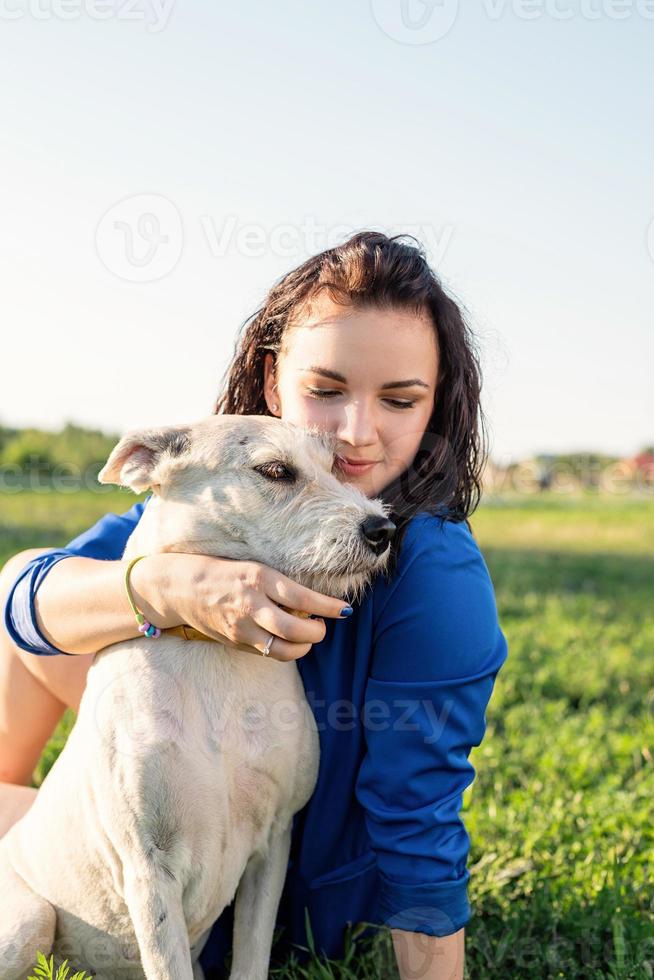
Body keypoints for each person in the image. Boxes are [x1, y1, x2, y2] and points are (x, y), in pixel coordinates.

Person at [0, 232, 508, 980]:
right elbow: (24, 593)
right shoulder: (221, 492)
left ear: (435, 407)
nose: (356, 433)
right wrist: (162, 589)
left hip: (289, 897)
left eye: (399, 399)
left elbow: (420, 818)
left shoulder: (432, 567)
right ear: (274, 384)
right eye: (326, 391)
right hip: (157, 821)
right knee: (65, 618)